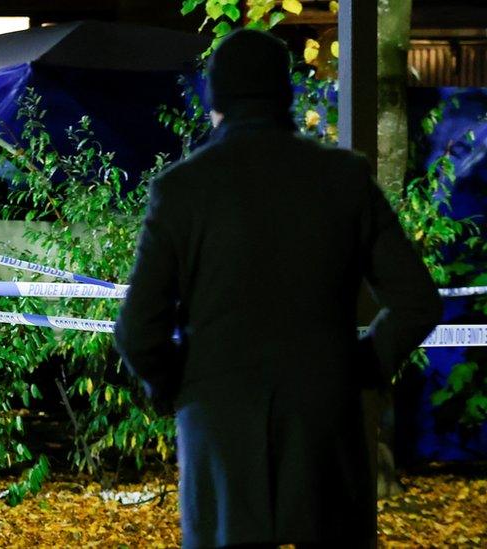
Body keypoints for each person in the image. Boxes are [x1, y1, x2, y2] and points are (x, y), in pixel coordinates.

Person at [114, 29, 442, 548]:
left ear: (214, 100)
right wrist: (361, 366)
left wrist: (183, 388)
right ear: (285, 96)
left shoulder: (181, 190)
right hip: (324, 425)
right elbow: (416, 302)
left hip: (219, 429)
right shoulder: (345, 179)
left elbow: (137, 331)